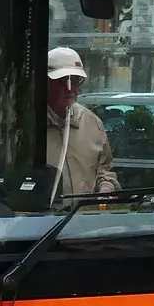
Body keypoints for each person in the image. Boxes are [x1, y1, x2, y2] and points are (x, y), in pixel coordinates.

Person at [43, 46, 119, 197]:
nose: (70, 89)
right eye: (62, 81)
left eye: (76, 81)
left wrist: (106, 187)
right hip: (45, 212)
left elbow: (105, 170)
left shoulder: (92, 123)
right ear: (46, 82)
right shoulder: (28, 124)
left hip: (83, 211)